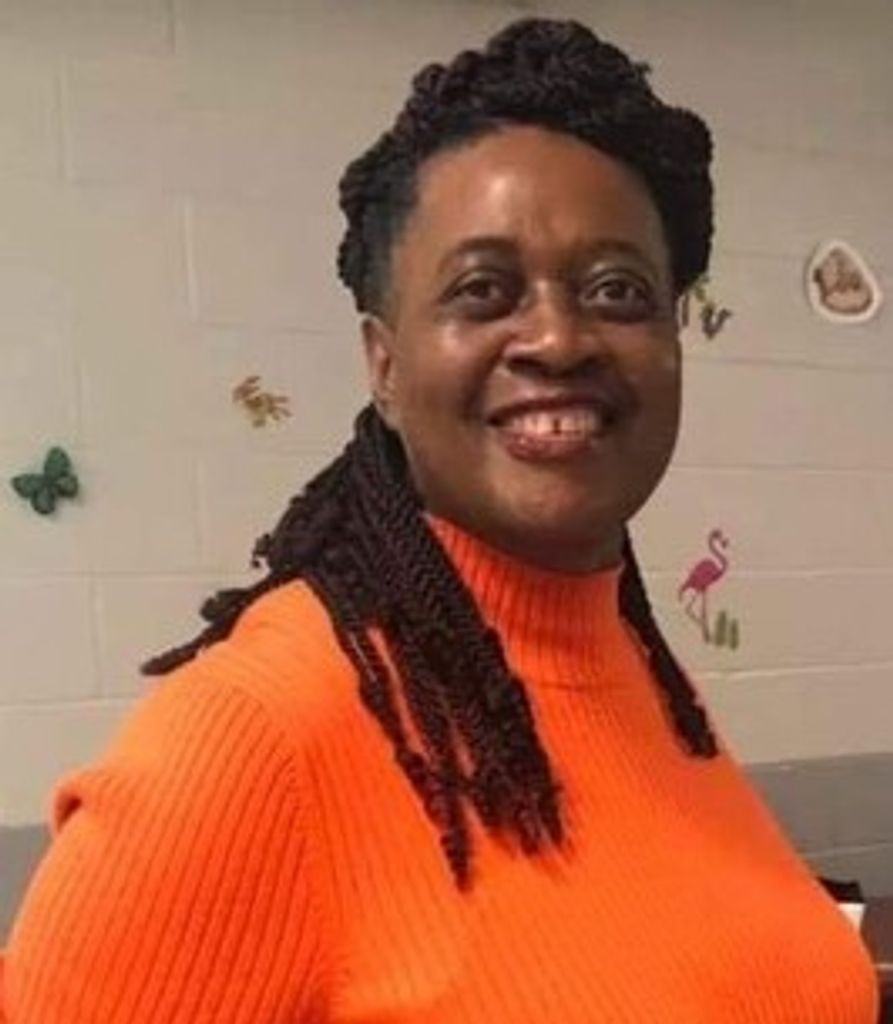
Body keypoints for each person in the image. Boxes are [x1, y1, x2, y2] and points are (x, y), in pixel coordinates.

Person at [0, 17, 878, 1023]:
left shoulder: (634, 670)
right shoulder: (251, 735)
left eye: (615, 290)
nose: (556, 338)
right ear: (383, 363)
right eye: (482, 290)